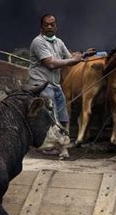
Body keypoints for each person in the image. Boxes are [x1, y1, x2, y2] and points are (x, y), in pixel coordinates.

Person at [29, 14, 96, 159]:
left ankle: (63, 148)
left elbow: (69, 57)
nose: (49, 27)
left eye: (52, 24)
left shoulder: (59, 42)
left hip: (55, 84)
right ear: (41, 27)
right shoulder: (38, 42)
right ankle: (51, 146)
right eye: (46, 24)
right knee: (52, 117)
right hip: (41, 84)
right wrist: (73, 60)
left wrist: (84, 55)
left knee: (64, 118)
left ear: (56, 26)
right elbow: (51, 64)